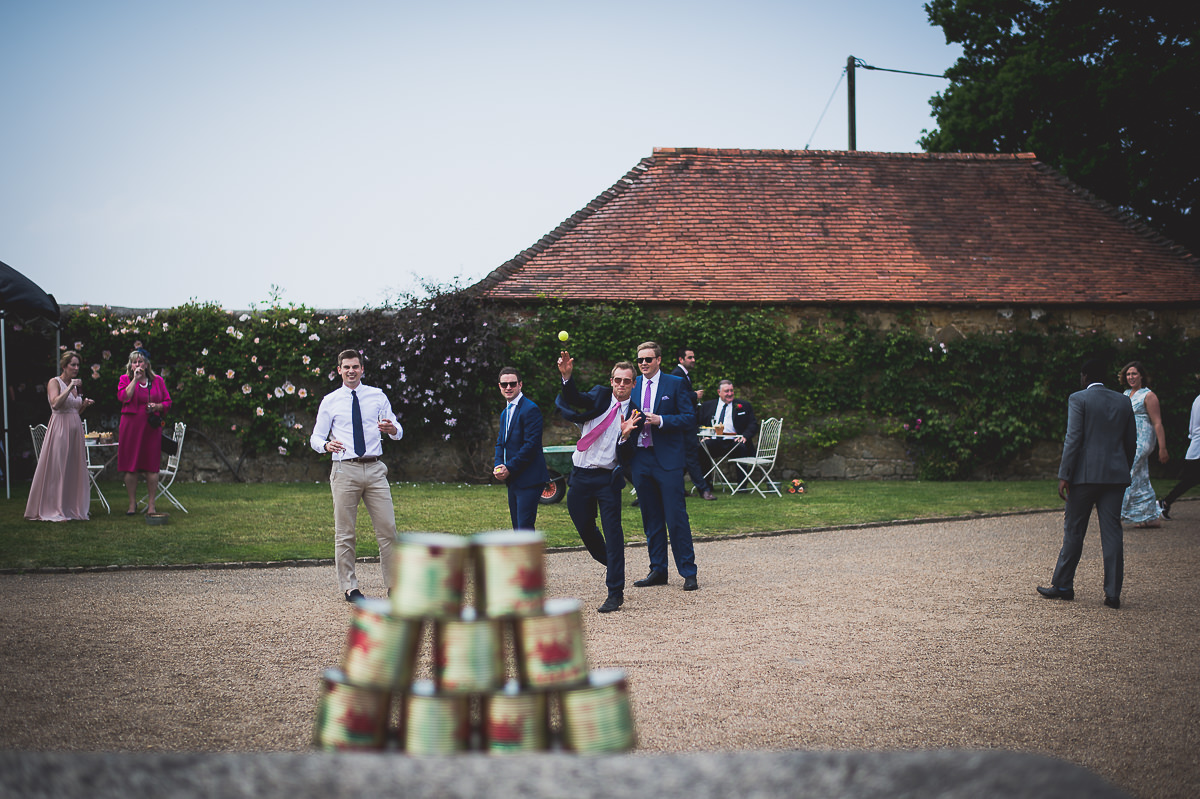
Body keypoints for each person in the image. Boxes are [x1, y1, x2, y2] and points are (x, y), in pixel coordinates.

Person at [1039, 358, 1136, 609]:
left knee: (1074, 530)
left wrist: (1064, 475)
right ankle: (1113, 593)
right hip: (1115, 476)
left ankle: (1063, 584)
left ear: (1084, 377)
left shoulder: (1078, 399)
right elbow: (1131, 442)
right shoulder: (1123, 400)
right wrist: (1122, 467)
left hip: (1083, 477)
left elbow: (1073, 439)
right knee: (1113, 533)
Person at [310, 350, 403, 602]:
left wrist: (392, 428)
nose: (351, 371)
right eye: (346, 367)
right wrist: (325, 445)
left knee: (388, 529)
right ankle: (350, 587)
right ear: (339, 370)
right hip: (344, 470)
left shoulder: (377, 396)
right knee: (345, 532)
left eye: (355, 366)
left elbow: (397, 430)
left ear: (362, 369)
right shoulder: (330, 400)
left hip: (375, 469)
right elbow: (316, 437)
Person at [556, 352, 639, 612]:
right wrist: (567, 377)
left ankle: (615, 591)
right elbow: (576, 399)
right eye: (618, 380)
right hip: (580, 475)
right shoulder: (601, 395)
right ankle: (614, 563)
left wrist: (625, 437)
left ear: (633, 384)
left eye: (627, 381)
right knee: (584, 526)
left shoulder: (636, 414)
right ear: (611, 381)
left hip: (607, 479)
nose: (621, 385)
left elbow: (628, 458)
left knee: (613, 534)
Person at [626, 341, 700, 591]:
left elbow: (690, 418)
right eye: (640, 360)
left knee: (676, 517)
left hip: (667, 460)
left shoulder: (675, 383)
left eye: (648, 359)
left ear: (659, 360)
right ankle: (658, 569)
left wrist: (662, 420)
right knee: (651, 518)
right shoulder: (632, 387)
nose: (644, 363)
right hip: (641, 458)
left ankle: (688, 572)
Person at [25, 351, 95, 521]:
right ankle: (54, 508)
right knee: (59, 467)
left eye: (78, 365)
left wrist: (84, 405)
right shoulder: (54, 382)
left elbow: (74, 410)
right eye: (73, 364)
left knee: (73, 468)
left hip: (75, 429)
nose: (76, 368)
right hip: (60, 428)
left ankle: (71, 507)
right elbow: (56, 404)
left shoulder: (76, 386)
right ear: (64, 366)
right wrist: (70, 387)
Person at [494, 367, 550, 530]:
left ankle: (529, 556)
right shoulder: (505, 413)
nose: (508, 388)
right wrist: (499, 465)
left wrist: (509, 467)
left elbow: (531, 446)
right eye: (504, 385)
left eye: (512, 383)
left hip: (530, 478)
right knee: (518, 528)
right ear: (500, 387)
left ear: (520, 385)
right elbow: (500, 443)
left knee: (524, 528)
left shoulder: (530, 409)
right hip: (514, 479)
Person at [117, 349, 172, 516]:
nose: (137, 365)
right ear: (130, 365)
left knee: (151, 467)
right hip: (131, 427)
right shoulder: (125, 379)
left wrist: (157, 406)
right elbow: (124, 397)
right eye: (134, 362)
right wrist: (135, 379)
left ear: (147, 364)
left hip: (150, 429)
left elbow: (168, 402)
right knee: (130, 466)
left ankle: (151, 504)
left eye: (140, 362)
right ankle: (132, 504)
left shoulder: (157, 381)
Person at [1118, 361, 1168, 528]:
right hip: (1128, 440)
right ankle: (1149, 516)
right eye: (1128, 374)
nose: (1131, 377)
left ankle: (1117, 512)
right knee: (1140, 477)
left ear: (1141, 376)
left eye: (1134, 374)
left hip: (1143, 439)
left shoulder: (1149, 395)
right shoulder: (1125, 394)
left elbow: (1158, 423)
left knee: (1126, 472)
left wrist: (1162, 448)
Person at [671, 347, 715, 501]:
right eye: (690, 357)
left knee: (684, 457)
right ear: (681, 359)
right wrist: (694, 395)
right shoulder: (677, 375)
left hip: (686, 422)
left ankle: (679, 488)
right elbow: (678, 396)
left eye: (693, 357)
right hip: (684, 423)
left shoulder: (683, 375)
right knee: (691, 456)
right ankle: (704, 489)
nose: (693, 360)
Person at [1159, 388, 1200, 519]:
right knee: (1189, 481)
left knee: (1190, 481)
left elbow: (1192, 429)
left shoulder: (1197, 400)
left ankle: (1165, 502)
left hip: (1195, 448)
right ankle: (1165, 502)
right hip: (1197, 449)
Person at [699, 379, 759, 461]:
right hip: (713, 442)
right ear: (719, 392)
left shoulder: (744, 405)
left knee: (741, 447)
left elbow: (753, 424)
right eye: (727, 391)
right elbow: (698, 423)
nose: (730, 394)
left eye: (731, 390)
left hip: (734, 442)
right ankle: (706, 474)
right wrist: (703, 436)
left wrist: (745, 436)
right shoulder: (707, 406)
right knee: (702, 446)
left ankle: (743, 474)